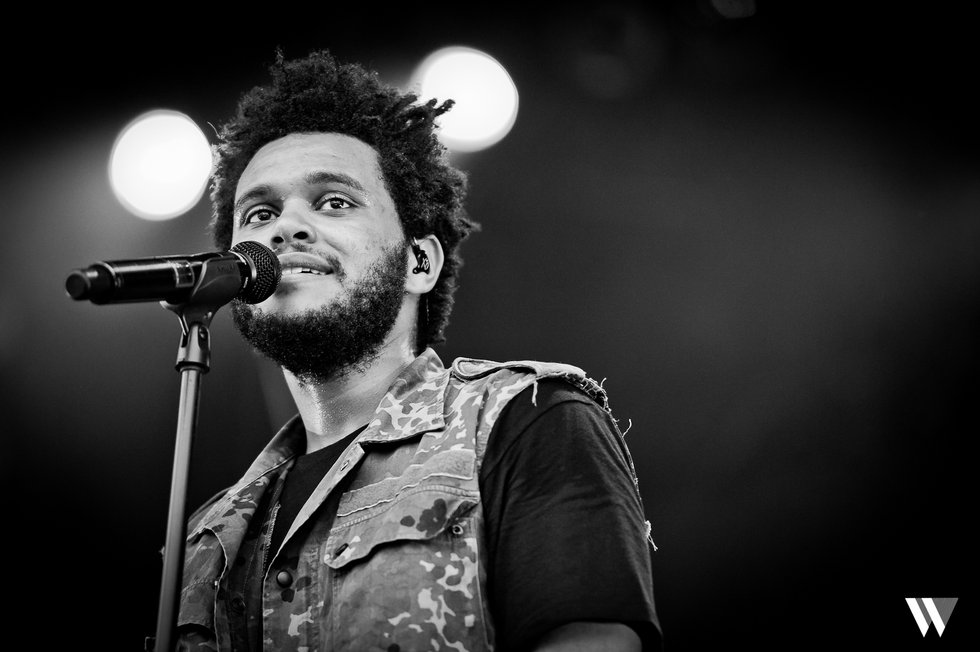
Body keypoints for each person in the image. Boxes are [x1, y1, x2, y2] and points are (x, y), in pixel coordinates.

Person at [175, 48, 662, 652]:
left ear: (419, 262)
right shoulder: (205, 534)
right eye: (260, 213)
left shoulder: (525, 419)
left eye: (334, 202)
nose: (284, 228)